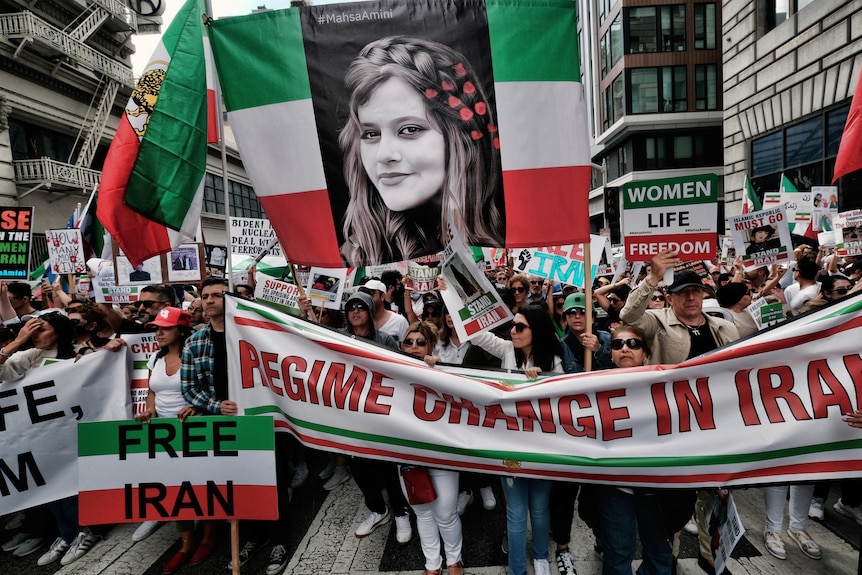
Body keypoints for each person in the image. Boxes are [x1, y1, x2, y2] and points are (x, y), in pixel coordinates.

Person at [619, 250, 739, 575]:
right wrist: (652, 277)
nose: (690, 297)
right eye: (682, 292)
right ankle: (666, 557)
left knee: (712, 491)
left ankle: (709, 554)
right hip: (672, 424)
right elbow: (629, 316)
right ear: (670, 298)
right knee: (672, 495)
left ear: (704, 294)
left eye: (696, 291)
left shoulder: (723, 329)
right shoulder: (657, 322)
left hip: (714, 424)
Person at [338, 36, 504, 266]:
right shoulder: (351, 259)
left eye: (409, 129)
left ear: (459, 137)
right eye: (371, 134)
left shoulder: (516, 238)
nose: (383, 155)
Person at [469, 303, 564, 575]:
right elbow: (476, 335)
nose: (513, 331)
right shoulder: (507, 350)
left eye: (520, 327)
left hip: (543, 448)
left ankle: (541, 557)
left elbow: (559, 402)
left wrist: (537, 382)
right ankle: (517, 568)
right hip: (510, 446)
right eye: (513, 325)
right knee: (516, 511)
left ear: (537, 330)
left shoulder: (554, 361)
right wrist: (448, 293)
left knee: (540, 508)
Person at [337, 291, 413, 546]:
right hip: (349, 415)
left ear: (370, 310)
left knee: (387, 466)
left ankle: (400, 512)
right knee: (358, 466)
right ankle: (378, 510)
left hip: (380, 414)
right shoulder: (337, 339)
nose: (356, 311)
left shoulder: (385, 340)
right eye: (351, 308)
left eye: (361, 306)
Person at [599, 325, 677, 575]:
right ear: (610, 353)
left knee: (660, 553)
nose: (625, 349)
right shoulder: (592, 387)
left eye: (633, 344)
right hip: (616, 486)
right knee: (619, 552)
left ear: (645, 352)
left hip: (655, 487)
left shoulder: (667, 385)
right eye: (618, 344)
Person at [132, 307, 199, 570]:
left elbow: (205, 388)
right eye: (156, 328)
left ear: (181, 330)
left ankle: (209, 536)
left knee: (201, 486)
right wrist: (150, 409)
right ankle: (186, 541)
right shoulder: (155, 359)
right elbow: (152, 391)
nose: (158, 333)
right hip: (165, 434)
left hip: (194, 430)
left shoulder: (194, 356)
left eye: (165, 328)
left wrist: (194, 407)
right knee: (174, 487)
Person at [400, 322, 464, 575]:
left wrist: (440, 373)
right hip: (407, 455)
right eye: (408, 342)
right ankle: (432, 565)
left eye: (420, 342)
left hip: (441, 454)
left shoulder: (443, 371)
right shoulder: (387, 371)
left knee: (446, 513)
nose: (414, 347)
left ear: (431, 345)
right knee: (422, 512)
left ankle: (454, 561)